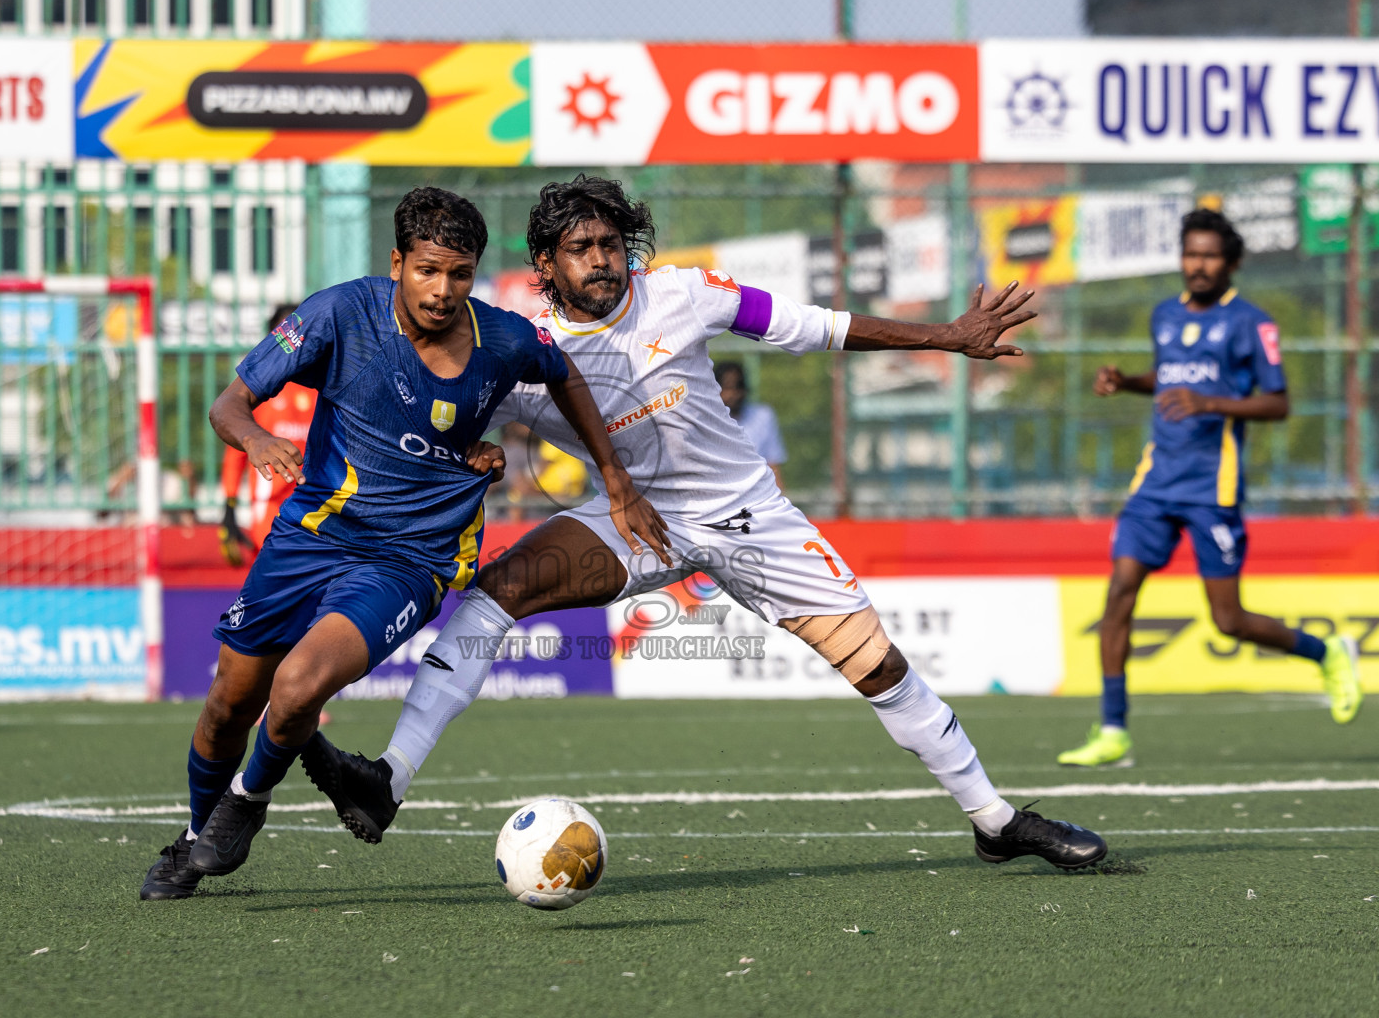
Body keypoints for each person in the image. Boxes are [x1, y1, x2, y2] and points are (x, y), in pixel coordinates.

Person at [301, 174, 1107, 871]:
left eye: (612, 243)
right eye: (581, 248)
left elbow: (814, 326)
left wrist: (948, 336)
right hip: (641, 522)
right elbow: (450, 422)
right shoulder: (523, 354)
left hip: (751, 515)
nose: (602, 260)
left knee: (881, 669)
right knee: (493, 595)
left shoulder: (685, 293)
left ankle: (995, 823)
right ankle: (389, 781)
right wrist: (468, 455)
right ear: (546, 266)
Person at [139, 186, 669, 900]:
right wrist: (259, 438)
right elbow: (228, 403)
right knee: (229, 704)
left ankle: (247, 804)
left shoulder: (504, 339)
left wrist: (614, 475)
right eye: (427, 270)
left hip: (409, 562)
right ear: (398, 263)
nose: (443, 289)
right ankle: (200, 836)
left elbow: (564, 372)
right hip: (311, 536)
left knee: (296, 687)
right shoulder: (338, 314)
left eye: (459, 273)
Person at [1058, 208, 1362, 768]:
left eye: (1210, 256)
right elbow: (1171, 376)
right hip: (1155, 483)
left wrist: (1212, 403)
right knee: (1120, 590)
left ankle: (1326, 653)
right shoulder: (1164, 315)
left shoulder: (1251, 323)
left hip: (1211, 488)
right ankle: (1112, 728)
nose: (1198, 265)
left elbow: (1278, 402)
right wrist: (1129, 383)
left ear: (1232, 263)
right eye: (1190, 254)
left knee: (1229, 620)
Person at [218, 304, 317, 565]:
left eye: (299, 331)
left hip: (317, 504)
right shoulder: (259, 390)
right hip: (270, 507)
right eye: (285, 333)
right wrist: (229, 506)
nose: (293, 340)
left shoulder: (326, 388)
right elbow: (237, 449)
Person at [714, 360, 786, 487]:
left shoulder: (763, 416)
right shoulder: (709, 420)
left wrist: (781, 496)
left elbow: (773, 464)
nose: (734, 394)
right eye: (728, 387)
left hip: (758, 493)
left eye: (739, 387)